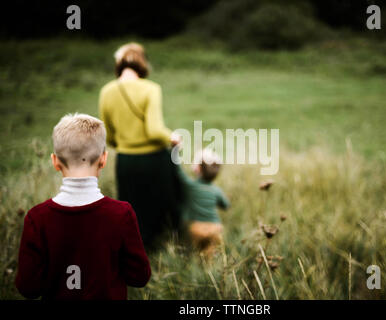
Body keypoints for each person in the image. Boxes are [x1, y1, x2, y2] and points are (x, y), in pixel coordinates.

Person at [15, 114, 151, 300]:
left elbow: (28, 288)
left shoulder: (37, 218)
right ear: (103, 159)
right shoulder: (121, 214)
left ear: (55, 161)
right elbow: (139, 277)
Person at [99, 42, 181, 249]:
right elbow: (154, 130)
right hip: (154, 159)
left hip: (126, 161)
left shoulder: (106, 91)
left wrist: (126, 142)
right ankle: (167, 249)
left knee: (132, 211)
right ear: (143, 63)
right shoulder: (151, 89)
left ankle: (136, 252)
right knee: (162, 207)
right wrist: (173, 138)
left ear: (119, 64)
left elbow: (108, 136)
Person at [176, 149, 230, 258]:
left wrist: (175, 150)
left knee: (193, 254)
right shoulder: (216, 190)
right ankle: (208, 272)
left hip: (196, 228)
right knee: (209, 257)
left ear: (197, 168)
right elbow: (226, 205)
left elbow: (178, 171)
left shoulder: (191, 186)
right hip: (215, 228)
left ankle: (194, 268)